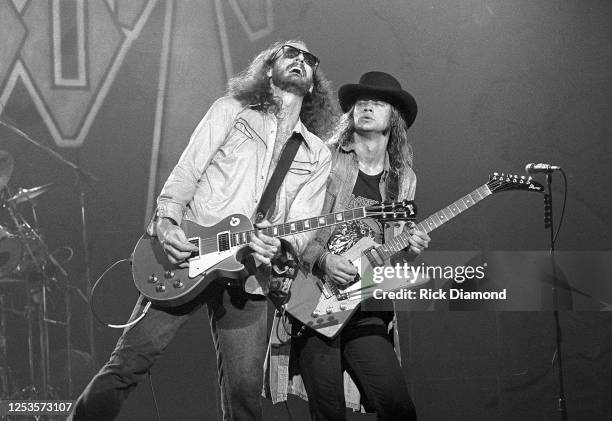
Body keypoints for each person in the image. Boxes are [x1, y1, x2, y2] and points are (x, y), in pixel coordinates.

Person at [69, 40, 338, 421]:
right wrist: (165, 223)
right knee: (128, 364)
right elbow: (187, 172)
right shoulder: (231, 111)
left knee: (244, 394)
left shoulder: (317, 153)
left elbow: (301, 225)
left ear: (312, 84)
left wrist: (278, 247)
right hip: (190, 254)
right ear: (267, 68)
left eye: (309, 59)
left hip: (250, 276)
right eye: (289, 54)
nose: (300, 60)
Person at [264, 71, 430, 420]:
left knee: (399, 409)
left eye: (378, 102)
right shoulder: (324, 158)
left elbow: (387, 251)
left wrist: (409, 249)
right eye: (361, 101)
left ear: (393, 118)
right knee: (329, 413)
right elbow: (290, 224)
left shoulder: (404, 178)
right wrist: (323, 259)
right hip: (314, 298)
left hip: (366, 306)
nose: (367, 106)